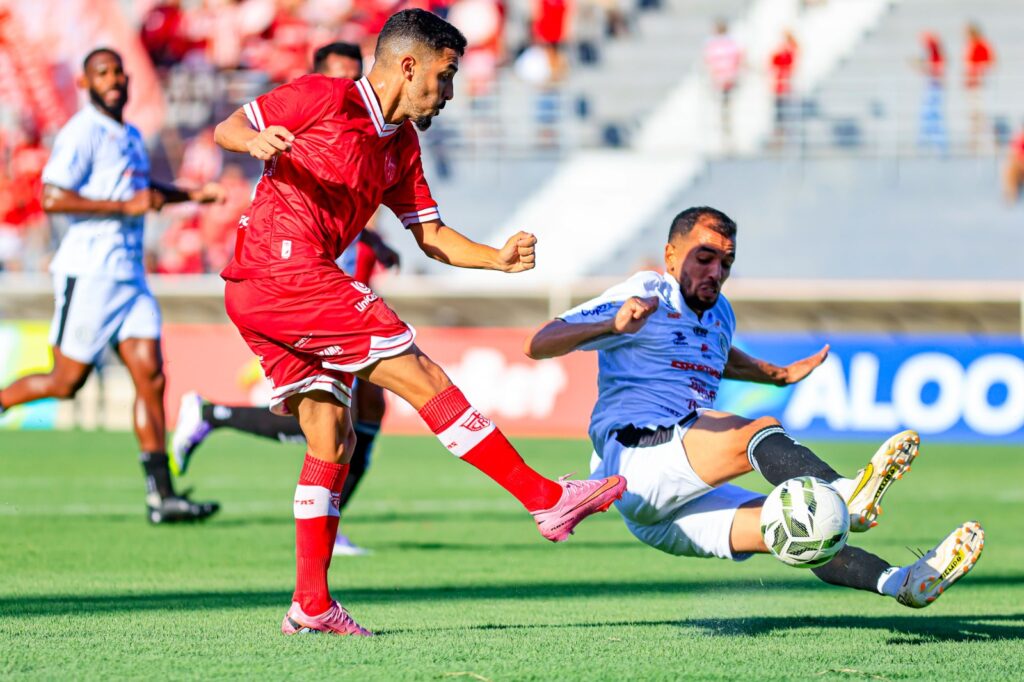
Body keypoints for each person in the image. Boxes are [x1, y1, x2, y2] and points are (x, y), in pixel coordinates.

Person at [212, 9, 626, 636]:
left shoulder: (400, 145)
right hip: (284, 270)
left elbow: (429, 235)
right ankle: (545, 499)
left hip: (266, 287)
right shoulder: (325, 95)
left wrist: (495, 258)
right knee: (421, 373)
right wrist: (255, 141)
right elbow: (229, 127)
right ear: (409, 66)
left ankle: (311, 605)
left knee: (331, 437)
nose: (450, 94)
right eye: (446, 75)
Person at [523, 206, 984, 609]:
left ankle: (900, 581)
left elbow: (720, 357)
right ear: (670, 256)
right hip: (636, 461)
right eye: (704, 257)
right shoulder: (646, 292)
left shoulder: (721, 314)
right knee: (755, 431)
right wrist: (615, 322)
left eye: (726, 262)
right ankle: (845, 489)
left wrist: (775, 374)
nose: (716, 271)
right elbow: (538, 343)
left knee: (802, 531)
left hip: (662, 512)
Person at [172, 41, 402, 557]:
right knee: (329, 421)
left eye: (353, 72)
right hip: (295, 286)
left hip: (335, 287)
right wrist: (254, 141)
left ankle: (325, 531)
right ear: (317, 77)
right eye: (337, 73)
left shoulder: (370, 124)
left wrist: (380, 241)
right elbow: (229, 131)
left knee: (357, 416)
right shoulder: (307, 114)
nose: (348, 82)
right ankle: (216, 417)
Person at [0, 48, 223, 524]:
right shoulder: (82, 133)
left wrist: (190, 195)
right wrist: (125, 209)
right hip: (91, 273)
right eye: (103, 73)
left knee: (152, 377)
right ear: (84, 83)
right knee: (66, 382)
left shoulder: (131, 134)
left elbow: (142, 193)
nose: (115, 79)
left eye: (118, 71)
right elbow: (53, 195)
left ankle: (161, 496)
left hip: (129, 278)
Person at [703, 19, 742, 149]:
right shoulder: (730, 44)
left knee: (724, 111)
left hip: (722, 81)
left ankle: (726, 138)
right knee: (724, 111)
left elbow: (710, 62)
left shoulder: (714, 45)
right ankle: (725, 138)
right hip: (726, 81)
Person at [963, 23, 995, 154]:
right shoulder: (971, 45)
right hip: (971, 84)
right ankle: (974, 144)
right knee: (973, 115)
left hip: (978, 84)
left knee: (980, 114)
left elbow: (991, 62)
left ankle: (987, 144)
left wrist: (978, 70)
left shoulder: (981, 44)